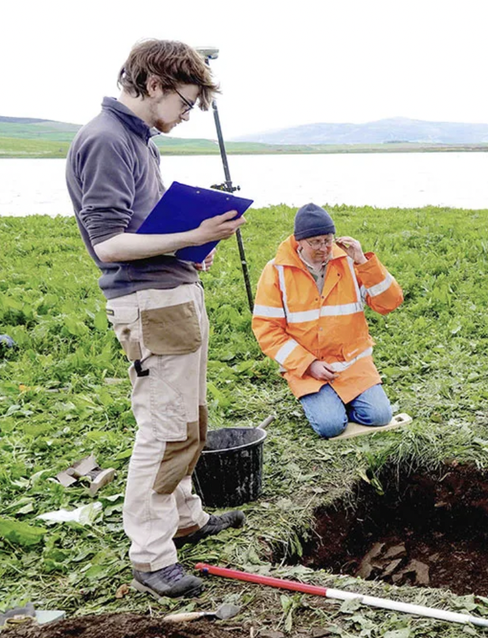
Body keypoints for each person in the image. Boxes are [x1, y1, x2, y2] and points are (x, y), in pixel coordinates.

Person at [66, 40, 247, 598]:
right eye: (185, 103)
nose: (186, 116)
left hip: (173, 291)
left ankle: (185, 518)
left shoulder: (139, 140)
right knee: (162, 428)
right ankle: (149, 554)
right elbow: (110, 244)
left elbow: (142, 229)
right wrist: (192, 235)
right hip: (147, 303)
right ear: (153, 84)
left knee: (189, 420)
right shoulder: (106, 140)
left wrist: (189, 249)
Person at [252, 204, 404, 438]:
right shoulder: (276, 271)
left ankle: (338, 400)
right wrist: (308, 364)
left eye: (328, 240)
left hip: (352, 364)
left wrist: (364, 263)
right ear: (299, 241)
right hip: (307, 369)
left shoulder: (351, 262)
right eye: (316, 242)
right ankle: (328, 404)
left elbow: (389, 303)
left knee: (380, 416)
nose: (324, 248)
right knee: (331, 426)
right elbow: (267, 330)